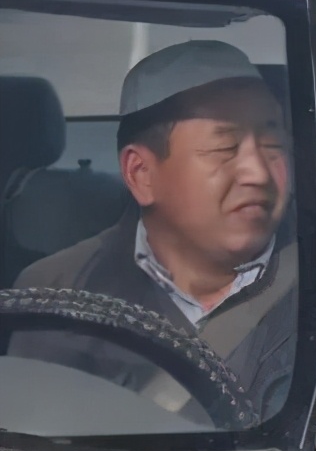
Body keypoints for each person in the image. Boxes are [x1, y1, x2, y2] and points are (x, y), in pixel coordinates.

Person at [8, 40, 297, 422]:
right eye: (224, 147)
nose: (259, 173)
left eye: (274, 143)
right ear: (141, 174)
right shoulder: (57, 298)